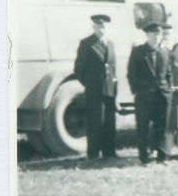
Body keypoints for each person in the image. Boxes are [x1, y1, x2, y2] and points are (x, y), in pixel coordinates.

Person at [73, 13, 118, 160]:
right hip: (94, 89)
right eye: (98, 26)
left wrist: (113, 85)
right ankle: (93, 153)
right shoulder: (87, 43)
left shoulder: (110, 43)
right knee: (95, 121)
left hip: (109, 89)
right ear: (93, 27)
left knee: (109, 121)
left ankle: (109, 152)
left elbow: (112, 67)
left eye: (103, 26)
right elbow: (79, 69)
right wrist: (90, 83)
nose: (101, 29)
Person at [127, 22, 172, 164]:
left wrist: (167, 90)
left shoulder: (165, 52)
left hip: (161, 96)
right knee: (143, 127)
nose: (156, 37)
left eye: (158, 34)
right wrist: (138, 91)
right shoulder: (138, 51)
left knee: (161, 126)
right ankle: (144, 158)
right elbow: (131, 74)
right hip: (144, 96)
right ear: (147, 35)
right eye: (153, 34)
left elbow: (168, 74)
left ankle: (162, 157)